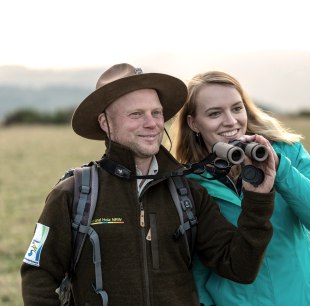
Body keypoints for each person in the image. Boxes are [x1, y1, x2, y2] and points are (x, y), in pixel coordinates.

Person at [20, 63, 277, 306]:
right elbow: (37, 275)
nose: (152, 123)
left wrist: (258, 199)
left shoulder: (188, 193)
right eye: (136, 114)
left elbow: (239, 267)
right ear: (105, 124)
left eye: (156, 113)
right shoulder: (73, 193)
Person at [172, 71, 310, 306]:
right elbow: (196, 268)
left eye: (236, 108)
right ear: (193, 123)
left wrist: (280, 169)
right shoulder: (189, 185)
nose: (231, 121)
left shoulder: (288, 153)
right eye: (214, 113)